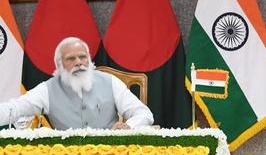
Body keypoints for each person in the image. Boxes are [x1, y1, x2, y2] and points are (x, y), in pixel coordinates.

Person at [0, 37, 154, 130]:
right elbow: (14, 108)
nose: (79, 62)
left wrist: (129, 126)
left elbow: (144, 113)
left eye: (83, 57)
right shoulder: (47, 89)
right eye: (71, 59)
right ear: (60, 64)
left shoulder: (110, 82)